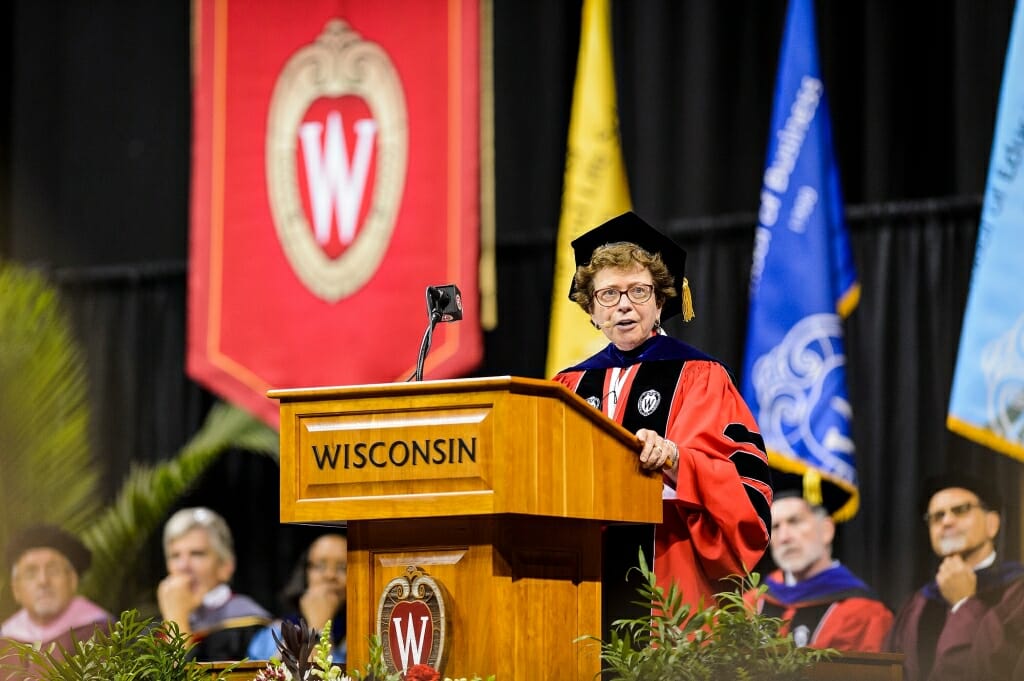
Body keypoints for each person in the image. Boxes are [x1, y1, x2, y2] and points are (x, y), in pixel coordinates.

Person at [551, 211, 773, 611]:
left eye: (638, 291)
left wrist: (676, 459)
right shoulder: (567, 387)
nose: (623, 306)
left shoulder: (700, 375)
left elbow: (742, 487)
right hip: (584, 585)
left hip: (671, 579)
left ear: (659, 302)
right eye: (608, 294)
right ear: (591, 310)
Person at [884, 473, 1024, 681]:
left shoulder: (1017, 589)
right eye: (937, 516)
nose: (947, 521)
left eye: (961, 510)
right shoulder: (918, 603)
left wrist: (964, 603)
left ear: (992, 524)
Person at [750, 472, 893, 651]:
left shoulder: (865, 612)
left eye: (794, 522)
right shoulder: (752, 602)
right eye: (775, 527)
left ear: (826, 530)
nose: (784, 537)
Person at [157, 506, 271, 661]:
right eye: (175, 556)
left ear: (225, 566)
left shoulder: (253, 627)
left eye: (197, 554)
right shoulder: (152, 631)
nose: (183, 566)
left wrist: (177, 620)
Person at [247, 532, 348, 663]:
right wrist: (317, 629)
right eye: (320, 566)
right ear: (305, 573)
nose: (330, 575)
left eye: (343, 568)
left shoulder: (366, 635)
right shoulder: (274, 634)